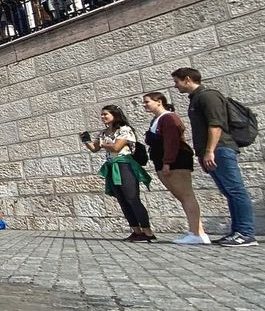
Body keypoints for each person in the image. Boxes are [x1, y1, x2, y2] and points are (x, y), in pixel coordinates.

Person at [172, 67, 258, 247]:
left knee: (235, 190)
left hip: (220, 149)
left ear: (187, 79)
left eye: (177, 81)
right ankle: (237, 232)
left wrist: (210, 150)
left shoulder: (208, 96)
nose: (175, 86)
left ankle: (246, 233)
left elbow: (216, 125)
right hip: (211, 151)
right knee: (229, 192)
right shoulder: (196, 98)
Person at [143, 92, 208, 244]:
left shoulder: (168, 117)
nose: (145, 105)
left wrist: (168, 162)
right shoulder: (158, 119)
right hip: (164, 160)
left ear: (159, 102)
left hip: (175, 161)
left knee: (186, 196)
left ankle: (196, 234)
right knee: (183, 197)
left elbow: (172, 141)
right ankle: (198, 232)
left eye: (147, 102)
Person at [82, 105, 154, 241]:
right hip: (111, 166)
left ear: (114, 115)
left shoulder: (124, 130)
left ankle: (148, 231)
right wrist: (86, 140)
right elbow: (94, 148)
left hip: (124, 164)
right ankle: (136, 231)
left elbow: (116, 147)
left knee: (132, 198)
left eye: (106, 114)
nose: (103, 117)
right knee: (122, 200)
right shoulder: (103, 133)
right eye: (102, 115)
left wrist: (103, 144)